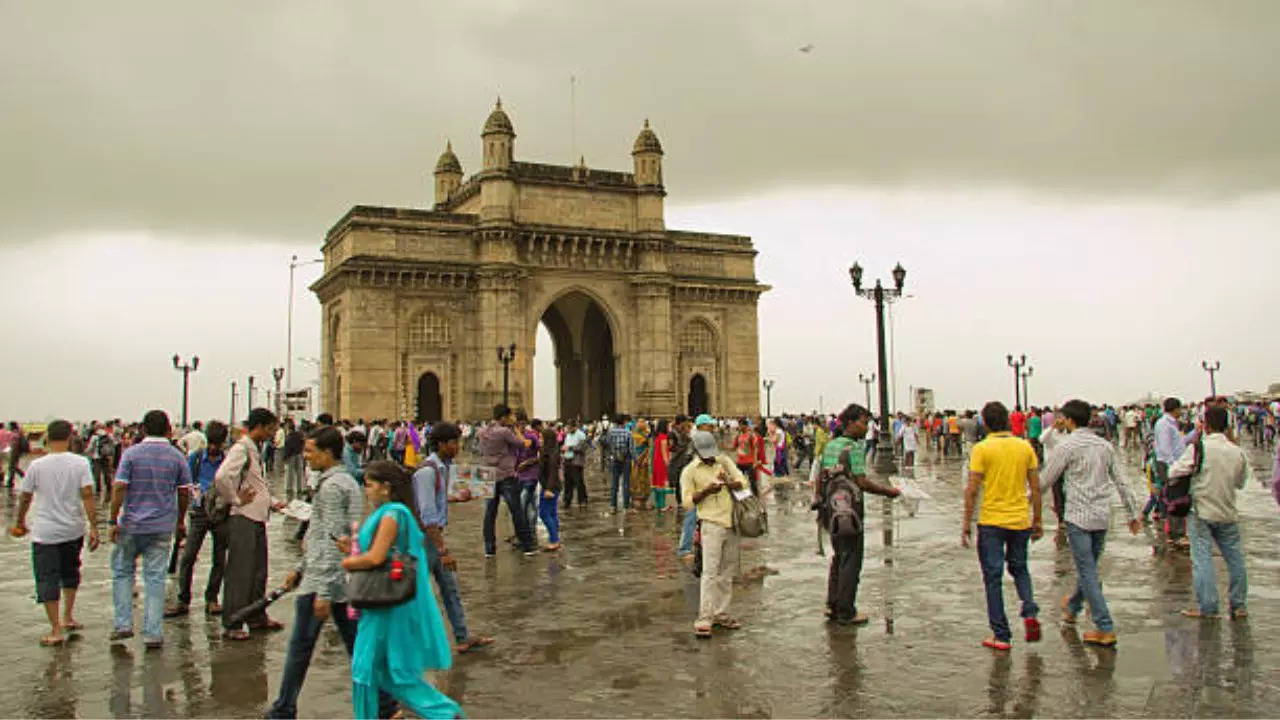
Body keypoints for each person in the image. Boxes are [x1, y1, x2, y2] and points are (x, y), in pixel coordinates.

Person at [266, 426, 395, 719]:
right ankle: (386, 704)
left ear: (327, 453)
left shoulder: (333, 487)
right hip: (338, 581)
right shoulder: (343, 482)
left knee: (300, 650)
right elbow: (323, 533)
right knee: (356, 647)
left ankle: (283, 710)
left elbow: (335, 541)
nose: (305, 456)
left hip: (325, 584)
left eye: (310, 451)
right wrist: (300, 568)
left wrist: (321, 590)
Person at [341, 461, 461, 720]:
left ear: (386, 488)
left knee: (368, 669)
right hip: (383, 601)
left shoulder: (391, 515)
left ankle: (444, 712)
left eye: (370, 485)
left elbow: (375, 558)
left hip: (385, 605)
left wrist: (348, 562)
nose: (367, 491)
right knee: (381, 669)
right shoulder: (389, 513)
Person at [1038, 400, 1141, 646]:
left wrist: (1024, 504)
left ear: (1070, 421)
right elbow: (1122, 481)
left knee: (1088, 571)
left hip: (1078, 517)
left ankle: (1105, 626)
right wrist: (1133, 513)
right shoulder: (1104, 446)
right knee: (1089, 569)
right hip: (1101, 516)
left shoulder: (1066, 447)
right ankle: (1073, 607)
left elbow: (1045, 481)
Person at [961, 401, 1042, 651]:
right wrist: (1037, 519)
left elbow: (973, 489)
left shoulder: (982, 449)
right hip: (1019, 519)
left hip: (992, 520)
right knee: (1020, 568)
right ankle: (1029, 609)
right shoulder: (1024, 446)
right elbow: (1036, 488)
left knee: (993, 577)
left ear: (984, 422)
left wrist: (966, 522)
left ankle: (1001, 635)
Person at [11, 419, 99, 646]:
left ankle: (55, 628)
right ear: (70, 438)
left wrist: (20, 520)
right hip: (73, 528)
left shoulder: (37, 466)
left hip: (45, 531)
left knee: (47, 578)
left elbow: (26, 497)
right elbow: (88, 495)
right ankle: (68, 616)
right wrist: (94, 527)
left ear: (47, 438)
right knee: (71, 572)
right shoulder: (80, 463)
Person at [109, 410, 192, 649]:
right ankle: (153, 632)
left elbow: (119, 488)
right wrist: (179, 520)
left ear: (143, 429)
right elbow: (184, 491)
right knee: (155, 578)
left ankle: (123, 624)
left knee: (123, 572)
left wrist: (112, 520)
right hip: (162, 525)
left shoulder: (131, 454)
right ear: (168, 430)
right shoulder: (176, 457)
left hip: (132, 524)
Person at [814, 404, 901, 625]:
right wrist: (888, 492)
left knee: (839, 556)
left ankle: (833, 604)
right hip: (850, 510)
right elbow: (861, 482)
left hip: (831, 508)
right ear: (850, 423)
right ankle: (846, 611)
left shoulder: (831, 445)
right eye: (863, 422)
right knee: (852, 558)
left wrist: (819, 502)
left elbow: (819, 476)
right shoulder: (853, 448)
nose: (866, 427)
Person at [412, 423, 494, 654]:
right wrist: (442, 550)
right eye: (453, 443)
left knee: (450, 589)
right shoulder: (427, 472)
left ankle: (462, 636)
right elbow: (427, 515)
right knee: (415, 593)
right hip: (425, 541)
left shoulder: (442, 469)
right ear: (440, 444)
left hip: (434, 540)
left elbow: (436, 501)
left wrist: (458, 497)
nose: (458, 447)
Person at [1172, 405, 1253, 620]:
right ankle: (1239, 605)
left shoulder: (1199, 448)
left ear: (1205, 425)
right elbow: (1240, 482)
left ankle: (1208, 606)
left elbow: (1175, 470)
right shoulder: (1237, 451)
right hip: (1227, 510)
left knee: (1202, 560)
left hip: (1201, 510)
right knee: (1235, 559)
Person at [217, 408, 283, 640]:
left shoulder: (255, 450)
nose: (274, 433)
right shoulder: (241, 448)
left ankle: (256, 616)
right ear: (261, 426)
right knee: (240, 572)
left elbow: (256, 484)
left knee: (258, 571)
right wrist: (235, 499)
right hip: (243, 517)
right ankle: (232, 622)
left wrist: (273, 502)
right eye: (272, 428)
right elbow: (222, 477)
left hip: (257, 516)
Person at [681, 430, 749, 639]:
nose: (711, 457)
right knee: (710, 572)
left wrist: (728, 483)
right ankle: (704, 617)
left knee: (727, 571)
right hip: (710, 524)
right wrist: (707, 491)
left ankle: (721, 613)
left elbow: (743, 482)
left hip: (731, 521)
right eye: (706, 454)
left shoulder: (724, 462)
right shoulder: (690, 471)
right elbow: (687, 502)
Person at [167, 420, 230, 618]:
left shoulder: (227, 461)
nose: (213, 448)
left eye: (217, 444)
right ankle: (183, 599)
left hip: (220, 513)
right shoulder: (194, 459)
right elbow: (184, 485)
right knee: (188, 557)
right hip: (199, 512)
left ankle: (212, 599)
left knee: (219, 559)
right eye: (210, 443)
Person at [478, 404, 535, 557]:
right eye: (510, 416)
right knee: (516, 511)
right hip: (505, 475)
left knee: (489, 513)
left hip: (487, 475)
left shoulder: (482, 431)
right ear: (504, 417)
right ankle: (527, 546)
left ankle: (489, 549)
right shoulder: (504, 432)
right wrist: (515, 428)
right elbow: (525, 444)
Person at [1154, 397, 1195, 546]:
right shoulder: (1164, 424)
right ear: (1175, 409)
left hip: (1174, 463)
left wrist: (1196, 432)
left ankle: (1177, 532)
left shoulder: (1171, 424)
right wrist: (1174, 468)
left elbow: (1180, 443)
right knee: (1175, 499)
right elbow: (1165, 449)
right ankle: (1176, 534)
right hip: (1169, 464)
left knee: (1177, 497)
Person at [538, 424, 563, 551]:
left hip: (550, 487)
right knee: (552, 513)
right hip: (550, 486)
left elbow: (553, 473)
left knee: (543, 513)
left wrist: (548, 489)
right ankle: (555, 538)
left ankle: (554, 540)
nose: (539, 440)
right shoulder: (547, 451)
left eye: (541, 438)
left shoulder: (552, 454)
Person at [604, 416, 635, 512]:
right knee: (626, 483)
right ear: (624, 422)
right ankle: (626, 506)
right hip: (626, 459)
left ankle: (613, 506)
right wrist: (636, 459)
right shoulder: (628, 433)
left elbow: (607, 444)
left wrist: (610, 455)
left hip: (614, 459)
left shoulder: (611, 432)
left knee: (614, 483)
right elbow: (631, 448)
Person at [561, 420, 589, 508]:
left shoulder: (581, 435)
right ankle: (567, 500)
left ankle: (582, 499)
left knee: (578, 481)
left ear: (575, 427)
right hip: (567, 460)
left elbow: (583, 447)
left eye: (570, 427)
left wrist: (570, 448)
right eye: (568, 427)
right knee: (567, 482)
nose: (568, 429)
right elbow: (565, 445)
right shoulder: (568, 435)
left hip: (576, 461)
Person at [652, 420, 672, 511]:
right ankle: (662, 504)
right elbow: (664, 452)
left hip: (656, 461)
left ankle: (658, 504)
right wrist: (667, 463)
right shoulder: (664, 437)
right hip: (661, 462)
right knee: (662, 483)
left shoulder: (657, 436)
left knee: (657, 483)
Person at [281, 419, 305, 500]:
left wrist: (285, 457)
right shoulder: (299, 435)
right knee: (299, 473)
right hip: (299, 455)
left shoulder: (289, 436)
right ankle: (300, 488)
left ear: (288, 428)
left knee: (289, 473)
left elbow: (287, 448)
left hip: (291, 456)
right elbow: (302, 443)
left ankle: (289, 488)